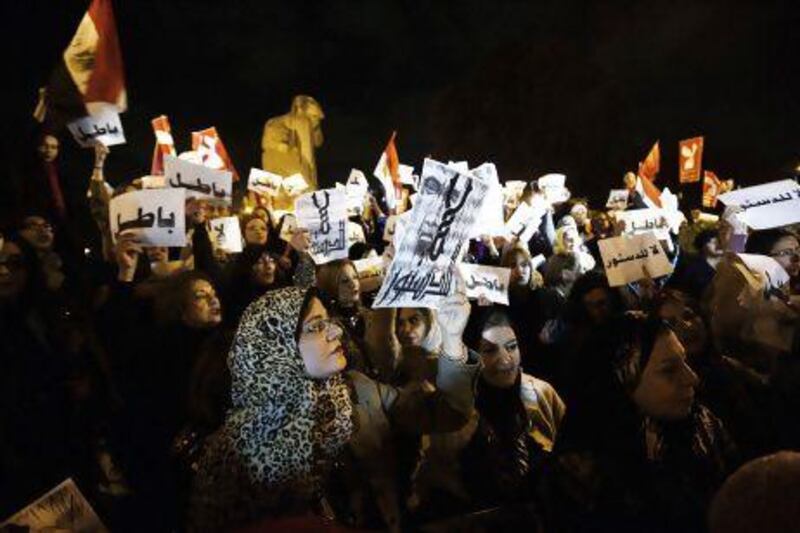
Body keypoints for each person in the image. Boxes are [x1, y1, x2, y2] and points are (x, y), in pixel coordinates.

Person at [188, 287, 477, 531]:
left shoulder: (359, 389)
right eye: (315, 326)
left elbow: (449, 413)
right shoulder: (235, 450)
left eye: (329, 321)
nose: (336, 331)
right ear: (276, 350)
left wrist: (452, 339)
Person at [543, 316, 737, 532]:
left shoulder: (703, 425)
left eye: (685, 361)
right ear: (621, 380)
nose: (692, 378)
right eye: (669, 370)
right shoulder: (581, 474)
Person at [412, 306, 564, 523]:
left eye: (512, 347)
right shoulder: (452, 409)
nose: (505, 359)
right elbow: (435, 480)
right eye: (490, 350)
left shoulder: (542, 394)